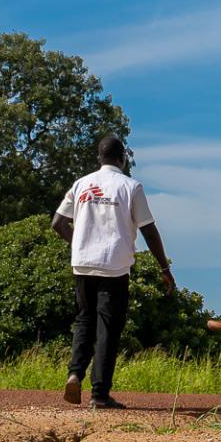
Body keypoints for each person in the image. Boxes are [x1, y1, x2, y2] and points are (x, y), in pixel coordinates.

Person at [51, 135, 176, 410]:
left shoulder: (81, 184)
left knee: (84, 320)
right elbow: (149, 230)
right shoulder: (131, 187)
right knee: (108, 327)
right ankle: (99, 394)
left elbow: (58, 223)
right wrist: (164, 268)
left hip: (83, 263)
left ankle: (74, 374)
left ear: (99, 157)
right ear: (123, 159)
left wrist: (80, 244)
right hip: (114, 267)